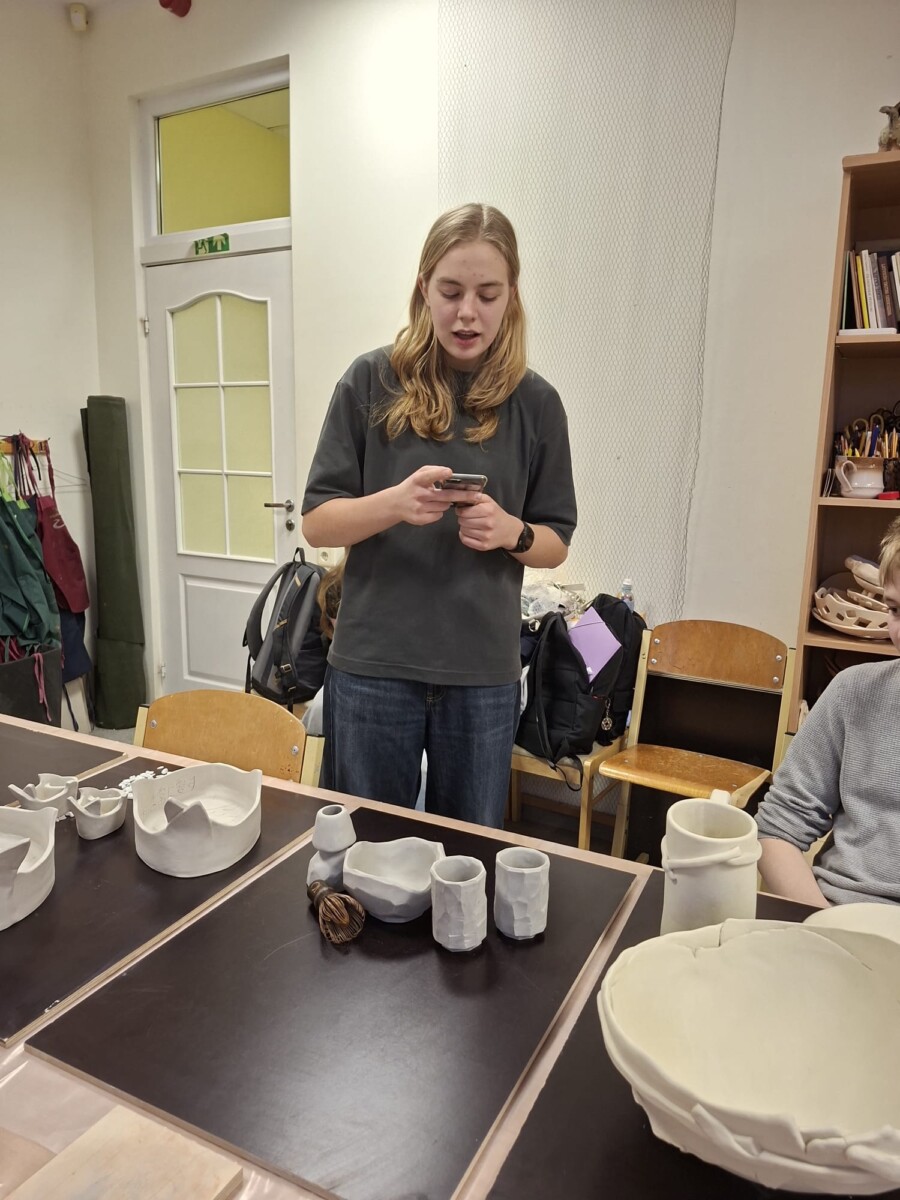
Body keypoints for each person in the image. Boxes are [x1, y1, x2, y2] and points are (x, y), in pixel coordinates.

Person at [301, 203, 576, 827]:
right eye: (450, 292)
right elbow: (317, 521)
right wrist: (394, 504)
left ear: (512, 297)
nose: (466, 312)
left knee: (467, 860)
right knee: (365, 852)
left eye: (487, 294)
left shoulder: (537, 404)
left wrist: (512, 532)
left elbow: (555, 540)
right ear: (424, 287)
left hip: (481, 675)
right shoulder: (369, 381)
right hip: (372, 665)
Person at [755, 515, 900, 907]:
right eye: (896, 609)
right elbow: (777, 829)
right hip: (834, 916)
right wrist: (824, 924)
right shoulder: (853, 692)